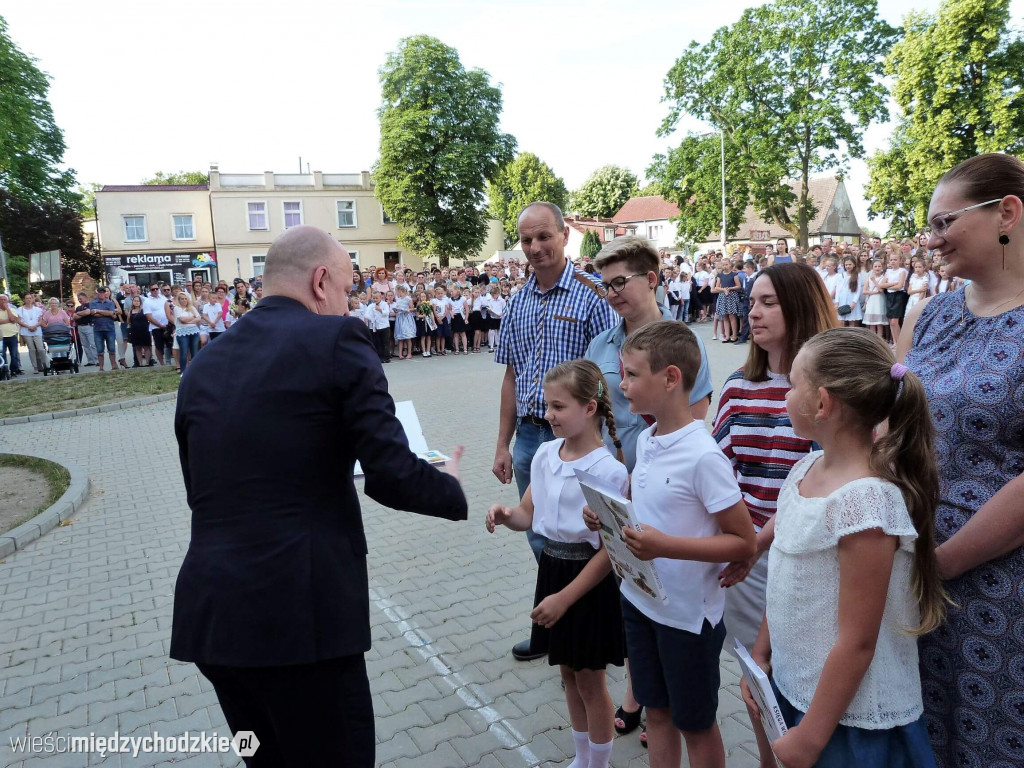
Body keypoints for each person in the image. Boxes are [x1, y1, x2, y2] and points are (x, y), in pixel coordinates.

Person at [171, 225, 467, 768]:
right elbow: (391, 473)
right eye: (349, 290)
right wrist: (448, 485)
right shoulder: (338, 339)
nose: (349, 303)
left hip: (212, 618)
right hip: (300, 619)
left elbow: (202, 488)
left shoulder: (204, 363)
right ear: (321, 279)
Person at [742, 327, 942, 767]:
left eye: (793, 385)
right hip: (796, 687)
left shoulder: (867, 502)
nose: (785, 396)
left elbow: (858, 640)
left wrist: (811, 738)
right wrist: (761, 652)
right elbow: (786, 573)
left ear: (822, 402)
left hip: (846, 722)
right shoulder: (806, 468)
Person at [898, 153, 1024, 768]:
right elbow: (891, 426)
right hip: (910, 571)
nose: (932, 238)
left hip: (1000, 590)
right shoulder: (933, 315)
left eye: (945, 222)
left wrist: (940, 564)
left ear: (1006, 213)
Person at [591, 321, 755, 768]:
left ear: (669, 378)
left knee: (696, 725)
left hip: (687, 617)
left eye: (631, 375)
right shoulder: (646, 439)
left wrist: (665, 546)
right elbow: (649, 508)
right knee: (657, 713)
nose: (621, 384)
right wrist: (609, 514)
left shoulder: (704, 456)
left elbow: (743, 541)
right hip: (641, 600)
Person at [584, 236, 713, 743]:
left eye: (621, 282)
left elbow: (694, 422)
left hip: (666, 493)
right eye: (605, 284)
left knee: (667, 593)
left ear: (651, 279)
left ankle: (669, 701)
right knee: (632, 591)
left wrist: (648, 480)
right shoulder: (601, 344)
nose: (612, 293)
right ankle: (643, 695)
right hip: (616, 488)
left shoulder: (682, 340)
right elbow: (598, 418)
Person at [710, 262, 838, 768]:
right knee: (756, 683)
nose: (753, 312)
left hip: (808, 557)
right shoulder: (739, 384)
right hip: (748, 563)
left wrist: (754, 542)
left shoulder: (830, 389)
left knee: (805, 679)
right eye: (752, 302)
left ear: (802, 307)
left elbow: (820, 485)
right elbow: (718, 475)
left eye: (768, 303)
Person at [487, 360, 627, 768]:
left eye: (558, 407)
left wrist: (565, 599)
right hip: (553, 569)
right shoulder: (547, 453)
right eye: (547, 406)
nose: (548, 415)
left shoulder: (609, 470)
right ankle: (581, 757)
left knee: (590, 680)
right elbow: (528, 514)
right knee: (567, 673)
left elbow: (610, 551)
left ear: (589, 409)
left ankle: (597, 763)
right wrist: (504, 513)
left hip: (586, 580)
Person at [493, 201, 616, 662]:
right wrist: (502, 444)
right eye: (526, 240)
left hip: (578, 440)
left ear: (565, 235)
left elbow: (605, 379)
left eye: (544, 236)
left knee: (587, 539)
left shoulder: (591, 297)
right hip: (530, 436)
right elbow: (511, 376)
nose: (535, 247)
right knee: (540, 532)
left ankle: (594, 623)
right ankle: (554, 619)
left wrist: (602, 443)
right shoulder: (518, 300)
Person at [88, 286, 121, 371]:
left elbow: (112, 314)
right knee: (99, 350)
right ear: (97, 293)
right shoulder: (93, 303)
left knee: (112, 348)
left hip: (109, 328)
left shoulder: (110, 303)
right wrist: (107, 313)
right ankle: (101, 367)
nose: (102, 294)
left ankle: (113, 365)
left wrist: (98, 311)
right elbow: (93, 314)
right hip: (98, 329)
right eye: (100, 292)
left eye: (103, 292)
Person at [171, 292, 201, 374]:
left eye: (185, 299)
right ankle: (183, 371)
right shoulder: (177, 308)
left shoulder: (191, 308)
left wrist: (189, 321)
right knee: (183, 352)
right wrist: (192, 318)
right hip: (182, 332)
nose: (184, 300)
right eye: (182, 299)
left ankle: (195, 371)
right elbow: (182, 320)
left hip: (194, 331)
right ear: (179, 300)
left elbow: (199, 318)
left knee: (194, 351)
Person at [17, 292, 45, 375]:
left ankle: (45, 365)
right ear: (24, 300)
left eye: (30, 298)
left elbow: (40, 320)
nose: (29, 300)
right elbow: (19, 320)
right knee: (32, 349)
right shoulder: (20, 309)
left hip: (37, 330)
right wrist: (28, 326)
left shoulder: (38, 309)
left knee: (40, 349)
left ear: (32, 299)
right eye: (27, 298)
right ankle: (35, 367)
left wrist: (35, 326)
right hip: (26, 331)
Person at [0, 293, 23, 376]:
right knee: (2, 355)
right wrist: (8, 320)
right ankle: (4, 371)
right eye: (1, 300)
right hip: (1, 337)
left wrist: (7, 309)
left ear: (7, 301)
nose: (2, 301)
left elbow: (13, 319)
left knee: (14, 355)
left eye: (4, 300)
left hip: (12, 335)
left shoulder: (12, 309)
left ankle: (13, 370)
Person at [74, 291, 99, 366]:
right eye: (78, 299)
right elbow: (75, 316)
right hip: (80, 327)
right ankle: (90, 360)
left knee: (93, 344)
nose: (79, 300)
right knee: (85, 345)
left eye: (80, 298)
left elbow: (87, 312)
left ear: (85, 297)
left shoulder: (90, 304)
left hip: (89, 326)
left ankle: (97, 360)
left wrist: (79, 314)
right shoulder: (78, 307)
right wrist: (81, 313)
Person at [127, 296, 151, 366]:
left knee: (146, 347)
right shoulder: (130, 311)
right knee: (137, 347)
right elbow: (129, 321)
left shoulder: (144, 310)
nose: (136, 302)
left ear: (140, 302)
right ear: (133, 302)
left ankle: (147, 362)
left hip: (144, 330)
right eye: (135, 301)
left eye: (138, 301)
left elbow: (149, 319)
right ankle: (140, 363)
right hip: (135, 331)